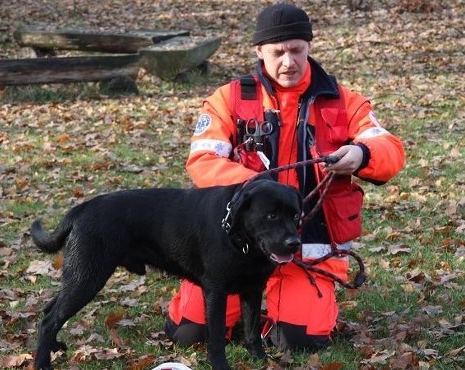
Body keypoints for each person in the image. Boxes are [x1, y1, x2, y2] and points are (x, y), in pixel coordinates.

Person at [165, 3, 405, 351]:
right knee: (189, 334)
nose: (288, 61)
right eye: (277, 52)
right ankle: (248, 309)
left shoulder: (343, 101)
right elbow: (203, 161)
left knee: (299, 340)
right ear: (259, 51)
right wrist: (257, 188)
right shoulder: (228, 99)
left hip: (307, 246)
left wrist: (361, 154)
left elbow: (390, 150)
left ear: (309, 46)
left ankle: (285, 312)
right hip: (238, 245)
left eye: (296, 50)